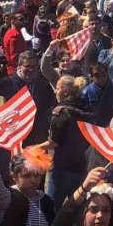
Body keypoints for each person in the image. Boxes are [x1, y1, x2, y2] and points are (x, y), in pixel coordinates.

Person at [39, 75, 94, 210]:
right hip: (82, 166)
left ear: (66, 92)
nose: (55, 91)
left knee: (51, 209)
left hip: (62, 168)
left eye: (57, 88)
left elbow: (54, 142)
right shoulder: (88, 109)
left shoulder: (60, 112)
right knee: (76, 209)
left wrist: (34, 148)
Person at [0, 51, 56, 146]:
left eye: (34, 66)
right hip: (18, 133)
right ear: (19, 65)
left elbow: (51, 101)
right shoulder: (10, 82)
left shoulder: (41, 81)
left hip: (39, 133)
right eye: (27, 66)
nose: (31, 69)